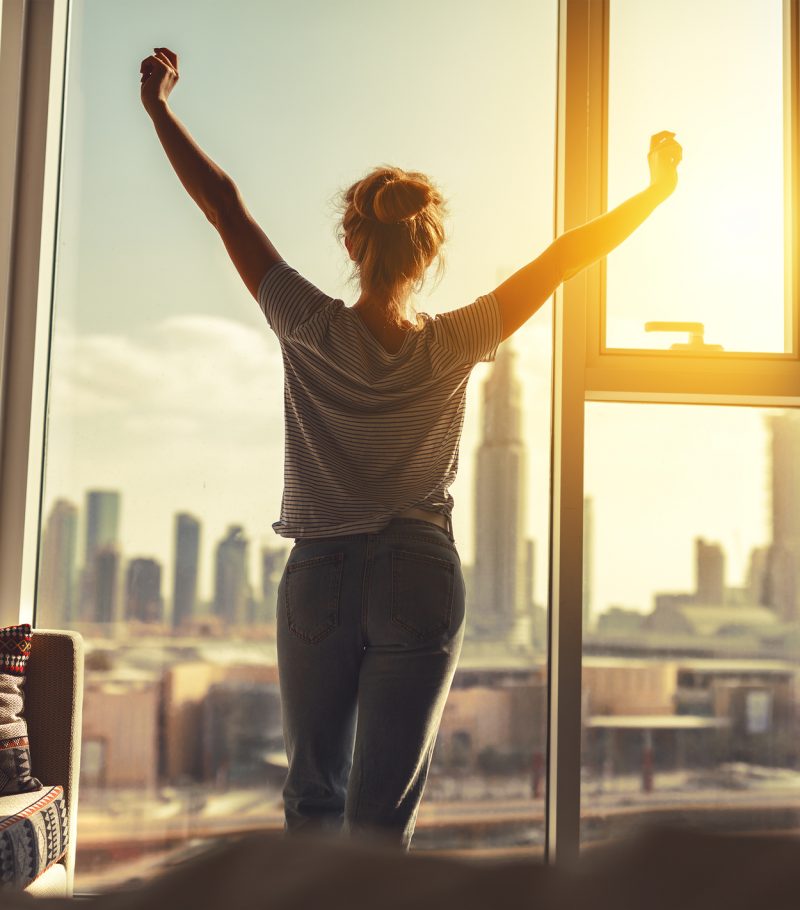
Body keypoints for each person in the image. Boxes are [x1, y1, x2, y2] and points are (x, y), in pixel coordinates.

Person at [140, 46, 682, 850]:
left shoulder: (308, 324)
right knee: (379, 826)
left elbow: (224, 206)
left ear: (352, 242)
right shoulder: (458, 340)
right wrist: (656, 191)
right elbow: (565, 257)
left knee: (312, 801)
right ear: (428, 255)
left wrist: (159, 106)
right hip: (418, 571)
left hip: (320, 571)